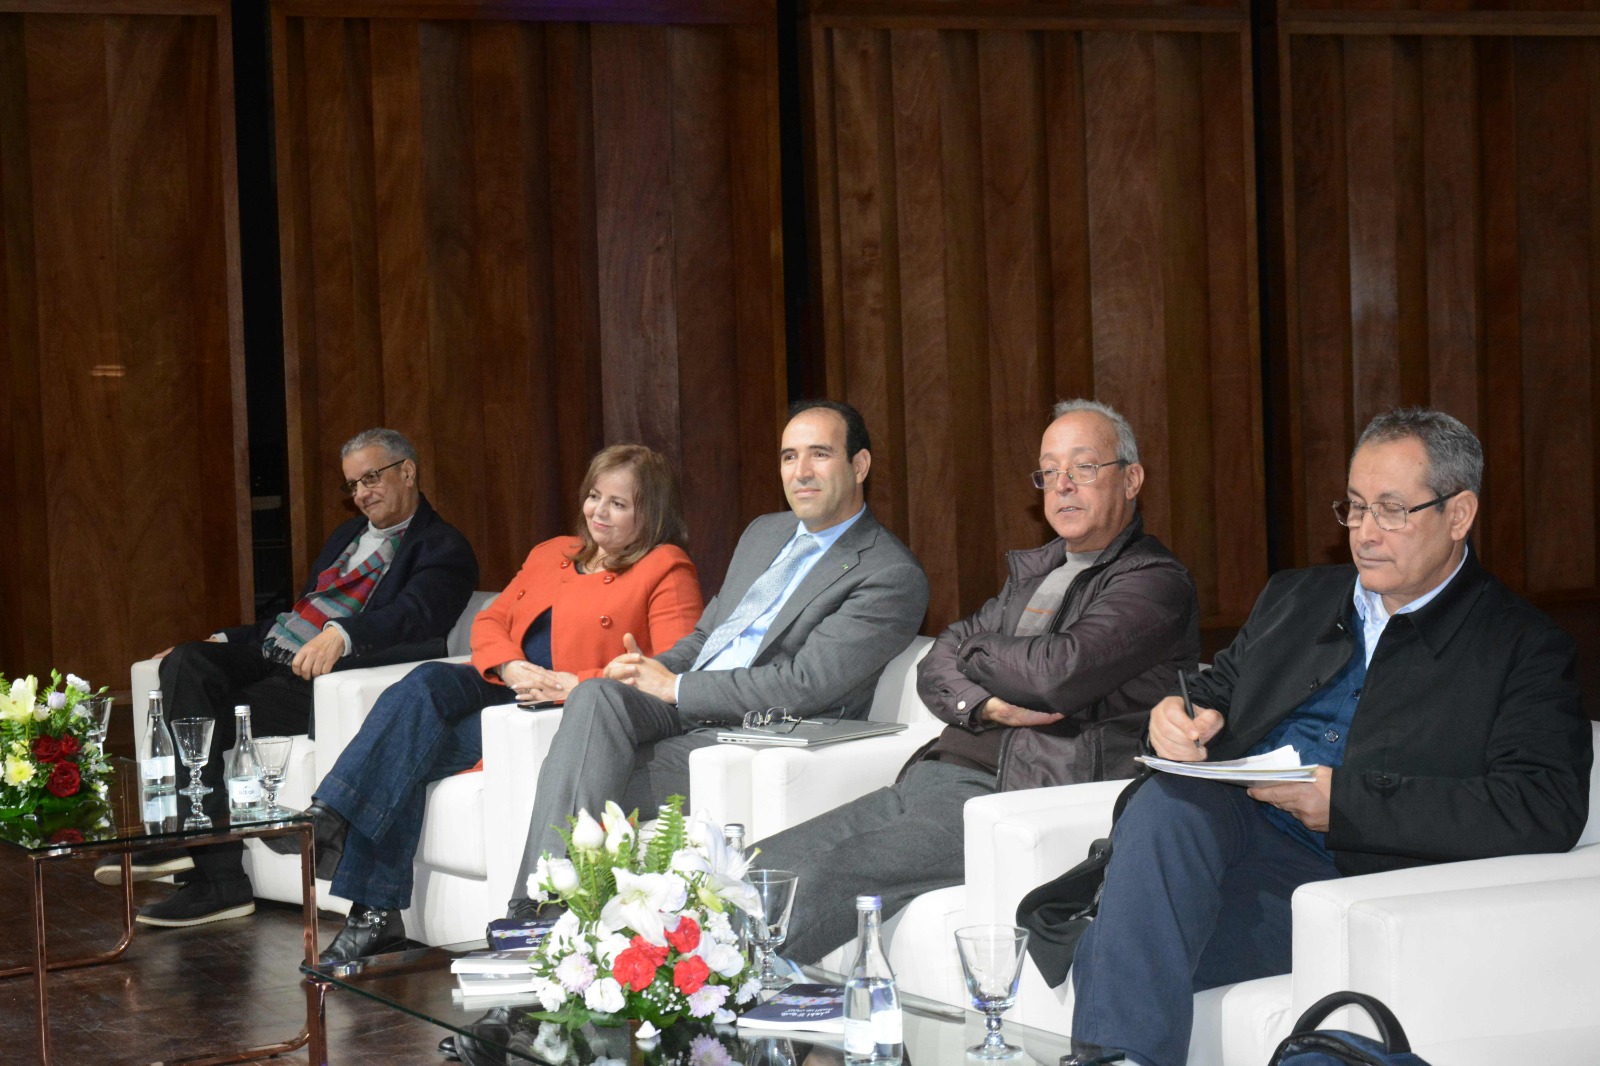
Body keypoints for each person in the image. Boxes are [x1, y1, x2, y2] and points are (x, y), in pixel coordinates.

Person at [1064, 408, 1594, 1066]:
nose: (1365, 534)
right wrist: (1179, 713)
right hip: (1233, 828)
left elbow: (1544, 804)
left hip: (1351, 875)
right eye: (1355, 507)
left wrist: (1348, 803)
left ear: (1458, 515)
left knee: (1111, 952)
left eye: (1392, 511)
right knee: (1168, 800)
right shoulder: (1296, 597)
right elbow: (1220, 690)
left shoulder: (1523, 646)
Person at [753, 399, 1201, 963]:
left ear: (1131, 479)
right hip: (936, 775)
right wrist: (986, 705)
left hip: (1013, 794)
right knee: (759, 866)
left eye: (1083, 468)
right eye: (1049, 472)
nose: (1062, 485)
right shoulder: (1036, 572)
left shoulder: (1154, 583)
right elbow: (933, 666)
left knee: (819, 879)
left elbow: (1055, 674)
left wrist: (972, 650)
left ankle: (721, 1005)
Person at [276, 444, 706, 963]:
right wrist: (508, 665)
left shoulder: (666, 568)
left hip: (559, 710)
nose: (598, 512)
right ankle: (331, 816)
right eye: (595, 496)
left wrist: (573, 682)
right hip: (503, 681)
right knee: (427, 681)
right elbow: (491, 620)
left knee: (403, 757)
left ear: (650, 511)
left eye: (619, 504)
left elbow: (668, 674)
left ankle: (365, 899)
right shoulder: (554, 551)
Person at [504, 399, 930, 917]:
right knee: (597, 697)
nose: (801, 471)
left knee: (578, 775)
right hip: (690, 705)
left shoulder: (887, 573)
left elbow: (804, 684)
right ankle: (542, 905)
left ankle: (542, 914)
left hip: (759, 730)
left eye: (819, 454)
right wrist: (650, 671)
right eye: (789, 456)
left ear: (859, 465)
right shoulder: (765, 532)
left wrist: (676, 688)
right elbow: (711, 635)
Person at [122, 428, 478, 928]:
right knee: (186, 661)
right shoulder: (345, 537)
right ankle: (196, 850)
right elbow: (299, 616)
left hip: (329, 675)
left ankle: (213, 875)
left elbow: (417, 617)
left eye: (371, 479)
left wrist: (343, 635)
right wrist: (223, 639)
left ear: (407, 471)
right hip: (282, 656)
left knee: (202, 706)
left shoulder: (443, 546)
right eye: (353, 485)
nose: (362, 494)